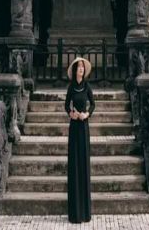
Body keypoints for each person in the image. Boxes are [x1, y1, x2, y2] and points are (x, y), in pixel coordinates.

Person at [64, 56, 95, 223]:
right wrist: (72, 114)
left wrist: (86, 114)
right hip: (74, 127)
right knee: (74, 164)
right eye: (79, 67)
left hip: (84, 127)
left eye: (83, 67)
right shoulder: (71, 87)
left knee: (83, 163)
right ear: (75, 70)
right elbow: (66, 105)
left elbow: (93, 104)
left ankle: (85, 212)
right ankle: (75, 213)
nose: (81, 69)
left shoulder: (87, 86)